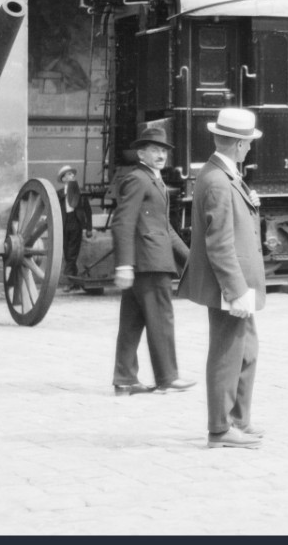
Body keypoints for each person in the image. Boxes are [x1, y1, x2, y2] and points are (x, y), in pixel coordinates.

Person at [182, 108, 266, 449]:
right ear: (238, 144)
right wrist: (236, 290)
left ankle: (237, 420)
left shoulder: (222, 173)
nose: (249, 149)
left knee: (245, 350)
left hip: (236, 282)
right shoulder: (218, 179)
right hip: (229, 284)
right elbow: (219, 244)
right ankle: (220, 428)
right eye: (247, 143)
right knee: (226, 353)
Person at [110, 126, 196, 396]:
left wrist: (191, 260)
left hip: (148, 260)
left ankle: (125, 380)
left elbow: (165, 228)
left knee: (132, 322)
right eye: (154, 150)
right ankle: (168, 377)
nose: (161, 155)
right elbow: (123, 222)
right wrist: (124, 265)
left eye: (164, 150)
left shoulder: (153, 180)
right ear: (141, 153)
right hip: (150, 262)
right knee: (161, 319)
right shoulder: (138, 179)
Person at [56, 165, 93, 290]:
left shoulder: (80, 191)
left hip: (76, 223)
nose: (72, 176)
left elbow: (88, 211)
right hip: (64, 224)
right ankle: (75, 281)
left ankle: (69, 281)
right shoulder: (59, 194)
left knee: (72, 253)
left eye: (73, 174)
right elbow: (54, 210)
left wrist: (89, 228)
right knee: (67, 253)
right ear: (64, 178)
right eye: (69, 174)